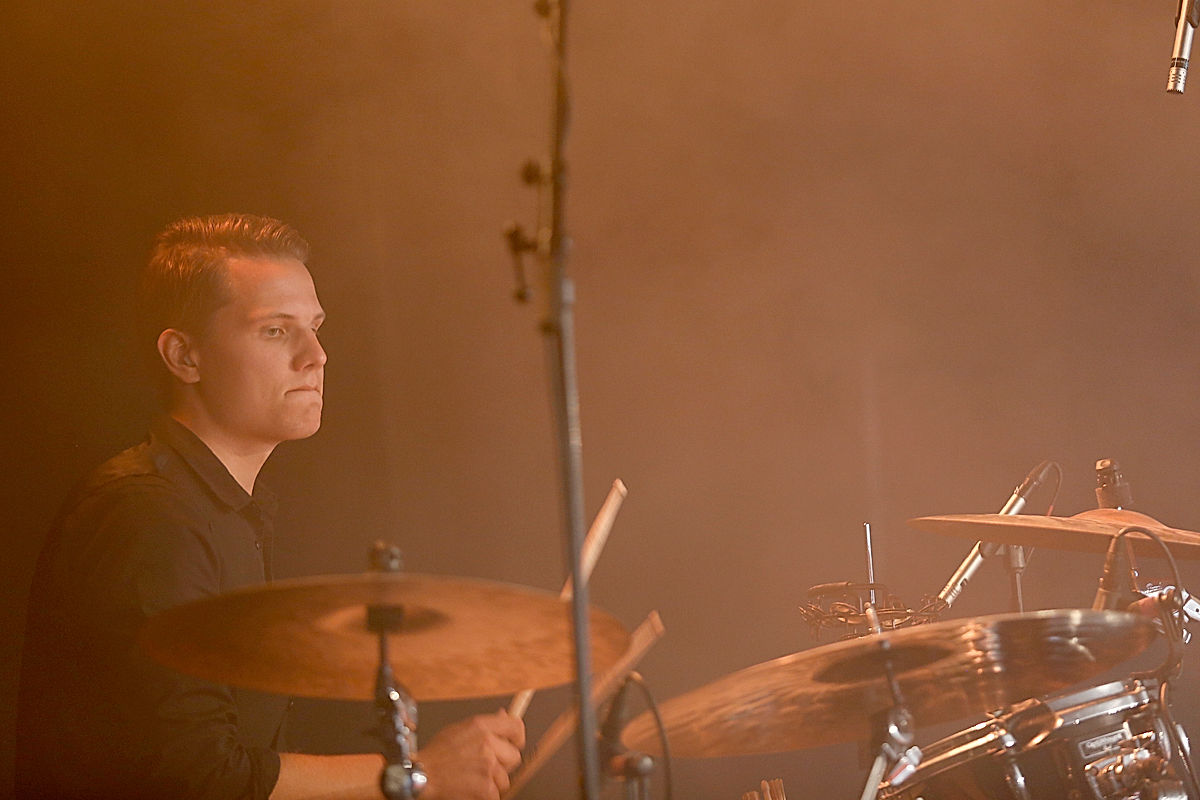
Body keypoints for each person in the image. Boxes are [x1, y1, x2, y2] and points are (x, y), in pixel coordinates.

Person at [16, 213, 525, 800]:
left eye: (316, 327)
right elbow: (197, 778)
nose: (317, 356)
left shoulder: (227, 513)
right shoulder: (147, 517)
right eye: (276, 331)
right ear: (184, 356)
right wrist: (420, 775)